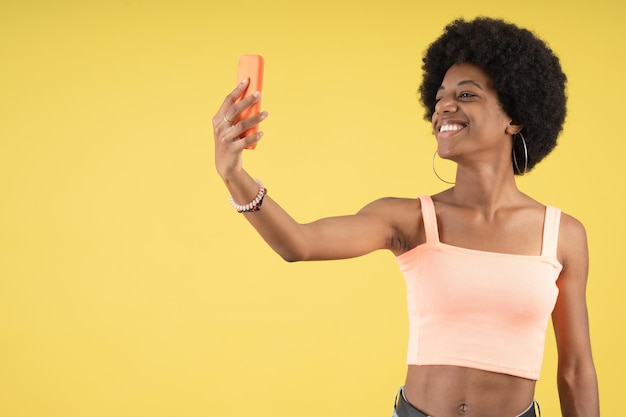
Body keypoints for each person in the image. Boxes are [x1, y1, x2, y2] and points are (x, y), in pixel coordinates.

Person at [212, 17, 599, 417]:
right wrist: (234, 175)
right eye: (439, 97)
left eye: (466, 95)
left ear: (515, 116)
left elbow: (575, 370)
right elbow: (298, 243)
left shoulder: (561, 235)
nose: (445, 106)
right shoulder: (409, 220)